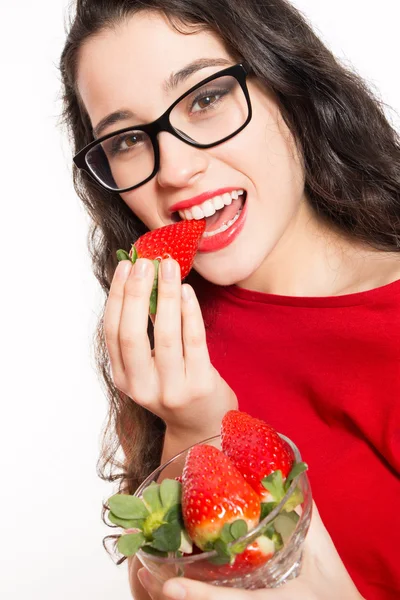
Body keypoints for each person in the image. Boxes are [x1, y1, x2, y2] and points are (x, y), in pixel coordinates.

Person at [60, 0, 400, 599]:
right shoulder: (168, 345)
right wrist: (193, 427)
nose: (176, 170)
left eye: (206, 98)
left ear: (287, 82)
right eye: (129, 139)